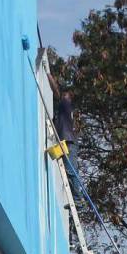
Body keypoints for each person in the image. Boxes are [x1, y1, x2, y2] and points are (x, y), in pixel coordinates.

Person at [46, 68, 81, 199]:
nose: (62, 96)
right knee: (68, 170)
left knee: (71, 170)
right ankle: (77, 197)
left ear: (69, 97)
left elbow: (56, 90)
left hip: (68, 142)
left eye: (65, 94)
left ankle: (78, 198)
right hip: (65, 142)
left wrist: (47, 73)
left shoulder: (66, 104)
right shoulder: (64, 111)